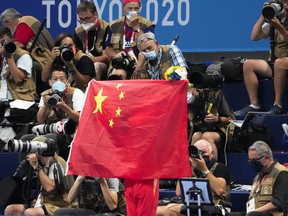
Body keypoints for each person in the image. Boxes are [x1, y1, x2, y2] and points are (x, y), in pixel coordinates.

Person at [20, 63, 85, 160]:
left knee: (50, 138)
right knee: (25, 139)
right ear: (50, 82)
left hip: (69, 133)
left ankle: (51, 169)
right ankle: (25, 173)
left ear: (67, 82)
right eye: (55, 79)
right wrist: (45, 106)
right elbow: (40, 120)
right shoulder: (46, 94)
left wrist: (64, 107)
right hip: (49, 130)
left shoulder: (76, 93)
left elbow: (80, 118)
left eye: (62, 79)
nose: (58, 81)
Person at [234, 1, 288, 115]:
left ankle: (277, 104)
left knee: (279, 63)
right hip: (275, 64)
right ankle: (254, 105)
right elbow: (254, 36)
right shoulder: (275, 20)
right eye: (282, 3)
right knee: (248, 64)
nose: (285, 6)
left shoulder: (278, 23)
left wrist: (280, 26)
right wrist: (264, 15)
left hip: (283, 62)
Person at [156, 139, 231, 216]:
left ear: (211, 154)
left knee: (170, 210)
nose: (200, 156)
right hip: (191, 204)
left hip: (214, 206)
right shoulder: (192, 168)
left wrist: (204, 170)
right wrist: (188, 167)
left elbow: (220, 190)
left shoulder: (220, 167)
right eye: (197, 152)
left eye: (203, 152)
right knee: (154, 210)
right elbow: (178, 192)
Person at [4, 135, 74, 215]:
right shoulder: (42, 164)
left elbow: (50, 188)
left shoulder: (56, 163)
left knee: (29, 212)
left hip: (61, 205)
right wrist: (39, 200)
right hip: (46, 202)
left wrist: (36, 167)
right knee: (11, 210)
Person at [0, 8, 54, 96]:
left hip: (44, 60)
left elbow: (18, 45)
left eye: (6, 26)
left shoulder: (24, 21)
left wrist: (3, 50)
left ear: (8, 22)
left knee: (20, 67)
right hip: (41, 59)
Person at [0, 26, 38, 143]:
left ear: (12, 40)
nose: (2, 45)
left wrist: (9, 55)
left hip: (20, 102)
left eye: (4, 42)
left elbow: (18, 78)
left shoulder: (23, 56)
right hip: (3, 102)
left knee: (4, 138)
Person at [105, 0, 155, 77]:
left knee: (140, 75)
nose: (133, 12)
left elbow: (148, 46)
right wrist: (116, 55)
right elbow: (108, 49)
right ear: (123, 9)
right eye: (130, 9)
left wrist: (136, 28)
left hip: (141, 63)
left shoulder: (147, 24)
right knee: (118, 74)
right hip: (121, 63)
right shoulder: (114, 25)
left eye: (136, 9)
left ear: (140, 8)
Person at [190, 87, 235, 161]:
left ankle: (213, 167)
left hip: (220, 132)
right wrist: (196, 100)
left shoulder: (216, 94)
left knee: (207, 136)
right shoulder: (194, 99)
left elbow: (231, 119)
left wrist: (217, 118)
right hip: (203, 130)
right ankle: (193, 167)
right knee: (196, 136)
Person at [245, 140, 288, 216]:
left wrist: (254, 212)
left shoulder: (281, 173)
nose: (252, 163)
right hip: (255, 212)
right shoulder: (258, 176)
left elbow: (279, 202)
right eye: (250, 160)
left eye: (255, 160)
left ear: (267, 158)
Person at [74, 0, 110, 80]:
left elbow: (106, 57)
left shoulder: (106, 28)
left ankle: (94, 91)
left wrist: (88, 60)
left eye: (87, 18)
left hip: (103, 64)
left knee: (96, 66)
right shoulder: (78, 31)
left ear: (95, 15)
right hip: (85, 63)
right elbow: (78, 53)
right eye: (81, 19)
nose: (84, 22)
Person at [54, 176, 126, 216]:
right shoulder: (83, 178)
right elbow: (69, 200)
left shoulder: (111, 178)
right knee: (60, 212)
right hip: (92, 212)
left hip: (112, 213)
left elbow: (113, 206)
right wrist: (79, 179)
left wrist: (102, 182)